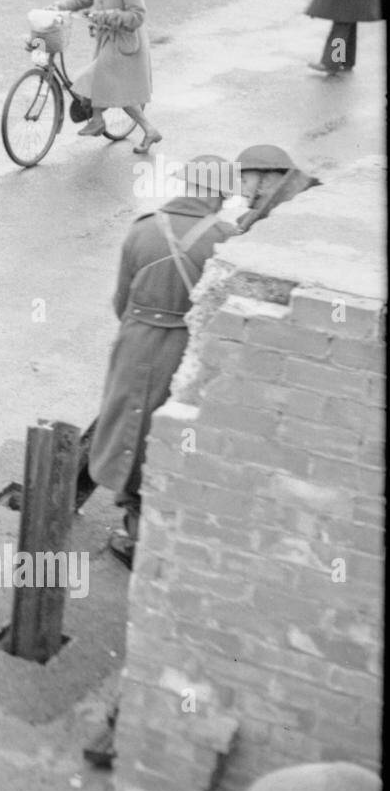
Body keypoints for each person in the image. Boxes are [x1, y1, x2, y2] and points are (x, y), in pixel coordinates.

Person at [89, 155, 238, 569]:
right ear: (218, 194)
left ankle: (134, 522)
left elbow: (121, 300)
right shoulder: (228, 237)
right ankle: (160, 525)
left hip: (136, 340)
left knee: (126, 430)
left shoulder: (144, 229)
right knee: (171, 431)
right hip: (189, 346)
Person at [52, 0, 162, 154]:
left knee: (94, 77)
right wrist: (57, 6)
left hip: (125, 43)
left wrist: (104, 16)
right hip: (107, 41)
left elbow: (137, 15)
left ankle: (98, 119)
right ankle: (150, 130)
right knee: (117, 92)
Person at [233, 144, 321, 231]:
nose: (240, 191)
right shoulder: (296, 204)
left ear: (266, 182)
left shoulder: (287, 215)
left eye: (244, 181)